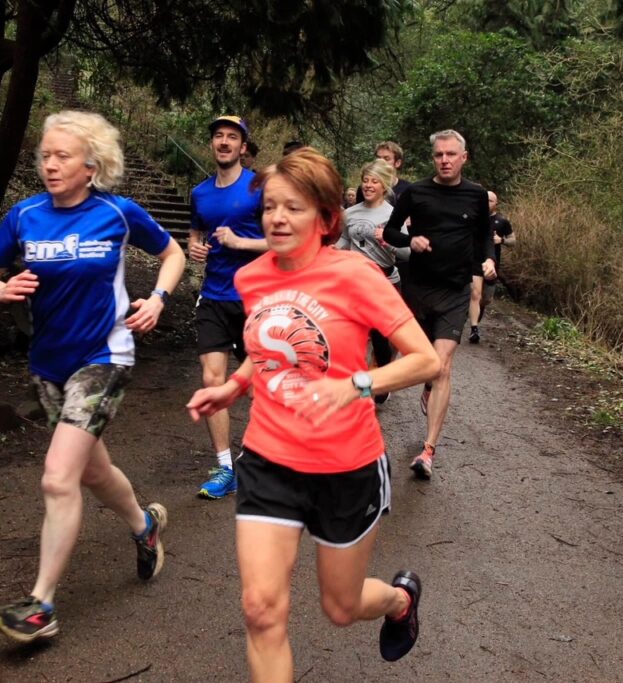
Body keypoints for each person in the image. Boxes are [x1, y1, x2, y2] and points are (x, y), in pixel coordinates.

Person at [187, 148, 440, 682]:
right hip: (269, 459)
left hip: (346, 467)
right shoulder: (252, 278)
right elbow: (271, 353)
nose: (277, 218)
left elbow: (425, 359)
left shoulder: (355, 275)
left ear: (326, 219)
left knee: (340, 608)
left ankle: (398, 601)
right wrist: (233, 386)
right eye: (271, 207)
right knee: (260, 609)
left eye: (294, 208)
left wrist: (357, 383)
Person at [0, 110, 185, 642]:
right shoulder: (24, 216)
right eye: (45, 155)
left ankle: (41, 604)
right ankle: (145, 525)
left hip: (105, 355)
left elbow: (172, 253)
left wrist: (157, 299)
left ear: (91, 165)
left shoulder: (117, 212)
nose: (50, 164)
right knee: (91, 471)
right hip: (48, 363)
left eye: (62, 156)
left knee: (57, 476)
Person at [379, 130, 495, 480]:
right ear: (433, 158)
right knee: (409, 355)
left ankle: (427, 452)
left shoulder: (476, 195)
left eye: (450, 154)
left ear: (464, 157)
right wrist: (410, 240)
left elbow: (484, 235)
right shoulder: (416, 192)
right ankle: (421, 383)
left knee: (441, 366)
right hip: (418, 290)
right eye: (438, 155)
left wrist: (489, 260)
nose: (444, 160)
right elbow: (390, 232)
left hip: (454, 292)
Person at [187, 115, 266, 500]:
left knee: (257, 385)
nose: (223, 142)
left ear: (243, 147)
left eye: (231, 137)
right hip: (215, 296)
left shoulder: (258, 188)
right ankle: (224, 467)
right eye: (218, 136)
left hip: (256, 299)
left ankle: (257, 455)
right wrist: (194, 246)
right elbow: (196, 230)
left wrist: (240, 243)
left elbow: (282, 241)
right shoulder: (200, 193)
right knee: (212, 380)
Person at [336, 159, 410, 404]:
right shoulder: (350, 213)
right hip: (355, 284)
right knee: (354, 337)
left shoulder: (393, 215)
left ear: (385, 185)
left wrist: (387, 240)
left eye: (374, 181)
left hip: (385, 282)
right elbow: (344, 243)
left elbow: (407, 252)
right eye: (365, 180)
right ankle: (356, 390)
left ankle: (381, 379)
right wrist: (329, 254)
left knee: (380, 341)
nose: (368, 185)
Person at [468, 190, 516, 343]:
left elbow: (513, 241)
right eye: (485, 199)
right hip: (474, 261)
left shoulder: (501, 221)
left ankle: (474, 317)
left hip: (492, 263)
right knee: (475, 294)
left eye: (490, 201)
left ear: (496, 204)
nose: (487, 203)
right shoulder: (473, 217)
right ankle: (474, 329)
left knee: (486, 299)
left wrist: (501, 241)